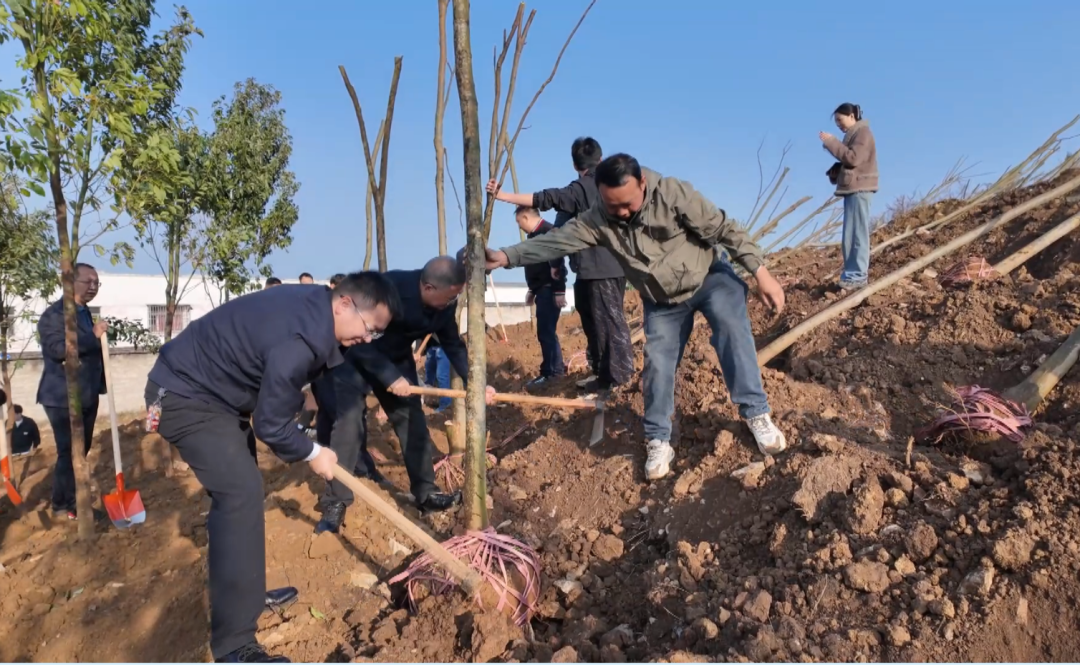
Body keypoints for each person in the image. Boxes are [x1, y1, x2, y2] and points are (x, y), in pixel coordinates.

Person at [484, 153, 788, 480]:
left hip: (708, 277)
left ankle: (756, 414)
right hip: (662, 299)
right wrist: (505, 256)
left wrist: (761, 273)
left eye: (628, 204)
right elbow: (556, 242)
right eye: (613, 205)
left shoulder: (672, 193)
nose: (622, 212)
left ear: (642, 183)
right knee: (658, 363)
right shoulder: (597, 219)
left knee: (732, 330)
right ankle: (659, 438)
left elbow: (724, 228)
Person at [145, 272, 398, 663]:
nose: (368, 338)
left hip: (217, 397)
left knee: (243, 495)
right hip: (185, 395)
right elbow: (270, 426)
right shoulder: (301, 337)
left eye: (376, 334)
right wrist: (314, 453)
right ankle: (234, 646)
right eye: (369, 328)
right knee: (239, 494)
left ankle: (243, 598)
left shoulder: (318, 311)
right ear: (344, 304)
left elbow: (286, 380)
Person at [315, 256, 497, 534]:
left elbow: (452, 344)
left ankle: (426, 492)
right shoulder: (390, 287)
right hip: (355, 354)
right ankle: (335, 501)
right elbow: (359, 339)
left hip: (398, 360)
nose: (453, 302)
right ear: (428, 287)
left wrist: (476, 383)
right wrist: (389, 376)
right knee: (349, 422)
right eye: (450, 297)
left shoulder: (444, 305)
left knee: (412, 418)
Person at [486, 137, 632, 392]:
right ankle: (602, 374)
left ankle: (618, 381)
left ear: (575, 165)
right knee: (592, 319)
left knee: (609, 323)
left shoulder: (588, 186)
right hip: (590, 271)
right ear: (599, 159)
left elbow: (550, 198)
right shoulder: (594, 189)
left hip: (604, 270)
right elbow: (559, 226)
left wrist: (503, 195)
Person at [36, 263, 107, 520]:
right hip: (62, 395)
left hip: (87, 392)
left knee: (81, 450)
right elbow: (58, 350)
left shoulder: (85, 312)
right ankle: (63, 506)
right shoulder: (54, 315)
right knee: (69, 452)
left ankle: (74, 502)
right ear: (70, 282)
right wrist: (93, 336)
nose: (93, 287)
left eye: (97, 282)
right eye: (88, 281)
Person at [820, 102, 879, 291]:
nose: (839, 124)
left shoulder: (863, 133)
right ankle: (852, 275)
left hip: (860, 189)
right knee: (850, 235)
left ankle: (857, 276)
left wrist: (832, 142)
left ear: (852, 116)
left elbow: (853, 158)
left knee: (857, 233)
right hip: (855, 189)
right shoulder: (856, 134)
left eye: (840, 120)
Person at [512, 206, 568, 389]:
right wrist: (532, 290)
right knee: (545, 332)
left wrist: (559, 291)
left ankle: (554, 372)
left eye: (519, 222)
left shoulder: (548, 232)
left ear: (526, 217)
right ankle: (549, 371)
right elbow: (537, 269)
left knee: (547, 332)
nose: (520, 227)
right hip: (542, 290)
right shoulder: (533, 236)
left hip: (550, 290)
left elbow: (558, 264)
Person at [422, 338, 452, 411]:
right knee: (429, 371)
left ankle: (445, 404)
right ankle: (428, 397)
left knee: (441, 376)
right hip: (430, 344)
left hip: (443, 343)